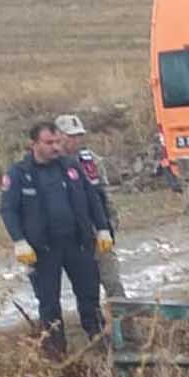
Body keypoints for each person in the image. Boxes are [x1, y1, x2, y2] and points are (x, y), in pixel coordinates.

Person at [0, 121, 111, 356]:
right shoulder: (19, 174)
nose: (56, 147)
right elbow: (8, 210)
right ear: (34, 144)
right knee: (49, 304)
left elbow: (92, 199)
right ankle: (57, 355)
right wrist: (19, 240)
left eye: (57, 142)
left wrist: (102, 228)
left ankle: (101, 344)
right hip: (42, 250)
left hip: (77, 243)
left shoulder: (70, 167)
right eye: (49, 143)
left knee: (89, 297)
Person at [55, 114, 125, 300]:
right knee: (84, 285)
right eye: (70, 136)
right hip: (66, 234)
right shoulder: (48, 164)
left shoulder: (90, 160)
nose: (75, 141)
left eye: (78, 136)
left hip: (96, 227)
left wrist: (109, 224)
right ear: (58, 136)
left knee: (112, 279)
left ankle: (123, 322)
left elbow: (103, 193)